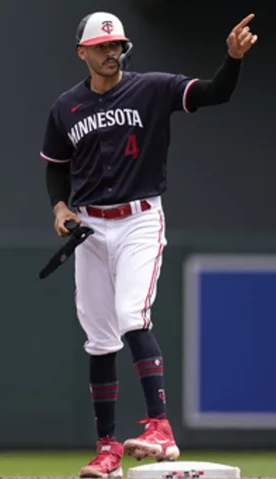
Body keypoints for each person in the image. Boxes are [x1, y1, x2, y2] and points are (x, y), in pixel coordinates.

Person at [39, 10, 258, 478]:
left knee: (131, 316)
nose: (110, 51)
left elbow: (214, 93)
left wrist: (233, 59)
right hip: (91, 229)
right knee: (99, 340)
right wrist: (60, 208)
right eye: (101, 46)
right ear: (83, 52)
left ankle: (161, 428)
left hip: (139, 219)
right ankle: (106, 450)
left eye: (116, 44)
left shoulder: (151, 87)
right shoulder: (66, 108)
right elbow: (56, 165)